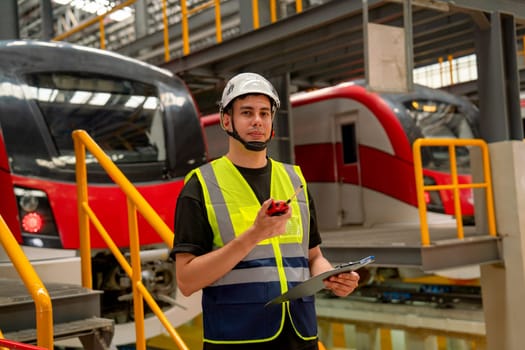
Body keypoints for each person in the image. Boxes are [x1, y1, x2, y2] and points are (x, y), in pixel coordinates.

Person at [171, 72, 360, 349]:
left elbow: (313, 255)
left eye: (264, 113)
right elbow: (186, 281)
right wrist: (254, 234)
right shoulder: (200, 185)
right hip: (237, 338)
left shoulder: (295, 180)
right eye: (246, 112)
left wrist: (330, 277)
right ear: (226, 120)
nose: (257, 120)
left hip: (301, 335)